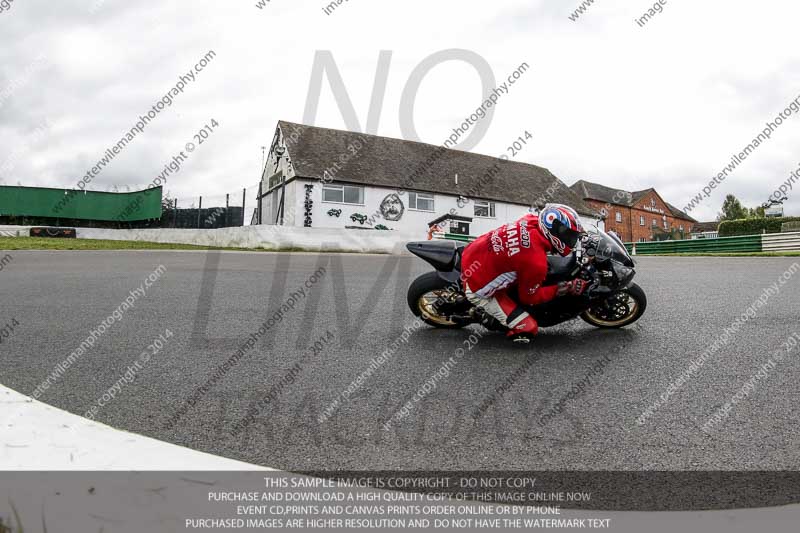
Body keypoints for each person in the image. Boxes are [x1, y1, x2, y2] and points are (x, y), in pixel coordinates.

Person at [460, 204, 589, 344]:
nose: (570, 239)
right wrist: (560, 289)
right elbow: (529, 298)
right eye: (567, 234)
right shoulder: (535, 263)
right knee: (528, 327)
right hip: (477, 285)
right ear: (554, 232)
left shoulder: (530, 220)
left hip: (473, 253)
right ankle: (486, 317)